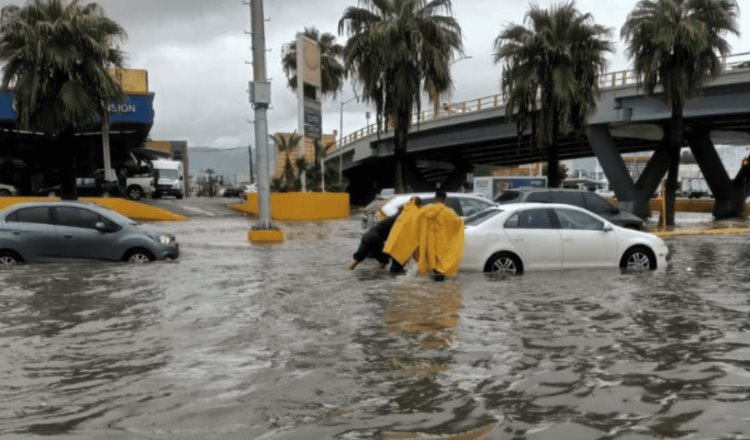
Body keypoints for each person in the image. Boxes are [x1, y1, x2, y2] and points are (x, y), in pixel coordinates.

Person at [416, 190, 464, 281]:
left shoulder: (426, 210)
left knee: (429, 268)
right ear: (445, 199)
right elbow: (458, 223)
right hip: (441, 244)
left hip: (427, 243)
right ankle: (439, 289)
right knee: (440, 268)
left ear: (435, 198)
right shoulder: (450, 212)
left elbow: (416, 222)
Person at [382, 196, 423, 273]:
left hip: (394, 244)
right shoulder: (416, 213)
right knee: (396, 271)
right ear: (419, 205)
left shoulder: (405, 211)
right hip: (402, 246)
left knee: (395, 268)